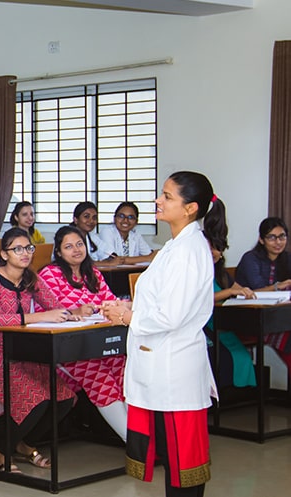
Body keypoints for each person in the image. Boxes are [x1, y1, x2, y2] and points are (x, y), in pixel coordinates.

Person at [102, 171, 224, 496]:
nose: (158, 200)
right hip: (161, 363)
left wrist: (128, 316)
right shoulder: (174, 246)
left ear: (191, 208)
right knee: (173, 460)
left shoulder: (188, 251)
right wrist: (126, 308)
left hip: (174, 367)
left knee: (182, 463)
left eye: (168, 196)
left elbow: (171, 314)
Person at [0, 228, 77, 472]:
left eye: (28, 248)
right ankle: (2, 450)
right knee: (36, 398)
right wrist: (43, 316)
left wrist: (75, 313)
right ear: (4, 254)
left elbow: (55, 306)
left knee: (64, 396)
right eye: (17, 249)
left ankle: (24, 443)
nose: (25, 253)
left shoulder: (30, 278)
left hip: (22, 348)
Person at [38, 226, 127, 441]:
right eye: (68, 247)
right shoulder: (50, 274)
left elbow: (110, 300)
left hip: (96, 343)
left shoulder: (92, 273)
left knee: (122, 366)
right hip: (67, 349)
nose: (76, 250)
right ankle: (134, 443)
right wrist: (74, 312)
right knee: (99, 376)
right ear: (58, 252)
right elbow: (43, 313)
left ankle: (142, 433)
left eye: (79, 244)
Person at [203, 209, 257, 388]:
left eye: (217, 248)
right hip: (204, 325)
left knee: (240, 356)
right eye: (208, 248)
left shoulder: (221, 273)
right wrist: (229, 293)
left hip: (223, 323)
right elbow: (201, 300)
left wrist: (244, 291)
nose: (213, 252)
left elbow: (237, 288)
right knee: (221, 357)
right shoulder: (196, 273)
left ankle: (239, 394)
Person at [235, 217, 291, 370]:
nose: (278, 242)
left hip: (275, 318)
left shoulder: (287, 258)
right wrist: (278, 287)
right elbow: (256, 291)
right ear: (261, 239)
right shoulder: (251, 258)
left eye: (282, 237)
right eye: (272, 237)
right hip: (248, 318)